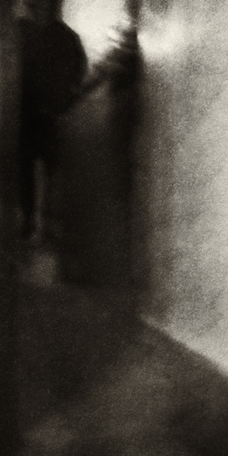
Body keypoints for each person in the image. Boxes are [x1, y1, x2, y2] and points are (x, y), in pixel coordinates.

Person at [60, 22, 141, 290]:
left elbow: (84, 85)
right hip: (97, 151)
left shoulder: (115, 72)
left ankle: (86, 270)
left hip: (99, 152)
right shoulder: (116, 69)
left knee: (93, 211)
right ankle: (88, 270)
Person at [17, 0, 87, 240]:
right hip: (22, 114)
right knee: (23, 170)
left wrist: (64, 102)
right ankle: (27, 223)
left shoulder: (66, 38)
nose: (47, 9)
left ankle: (48, 223)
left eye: (52, 4)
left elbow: (77, 74)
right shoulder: (18, 32)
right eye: (42, 3)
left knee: (53, 171)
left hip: (51, 115)